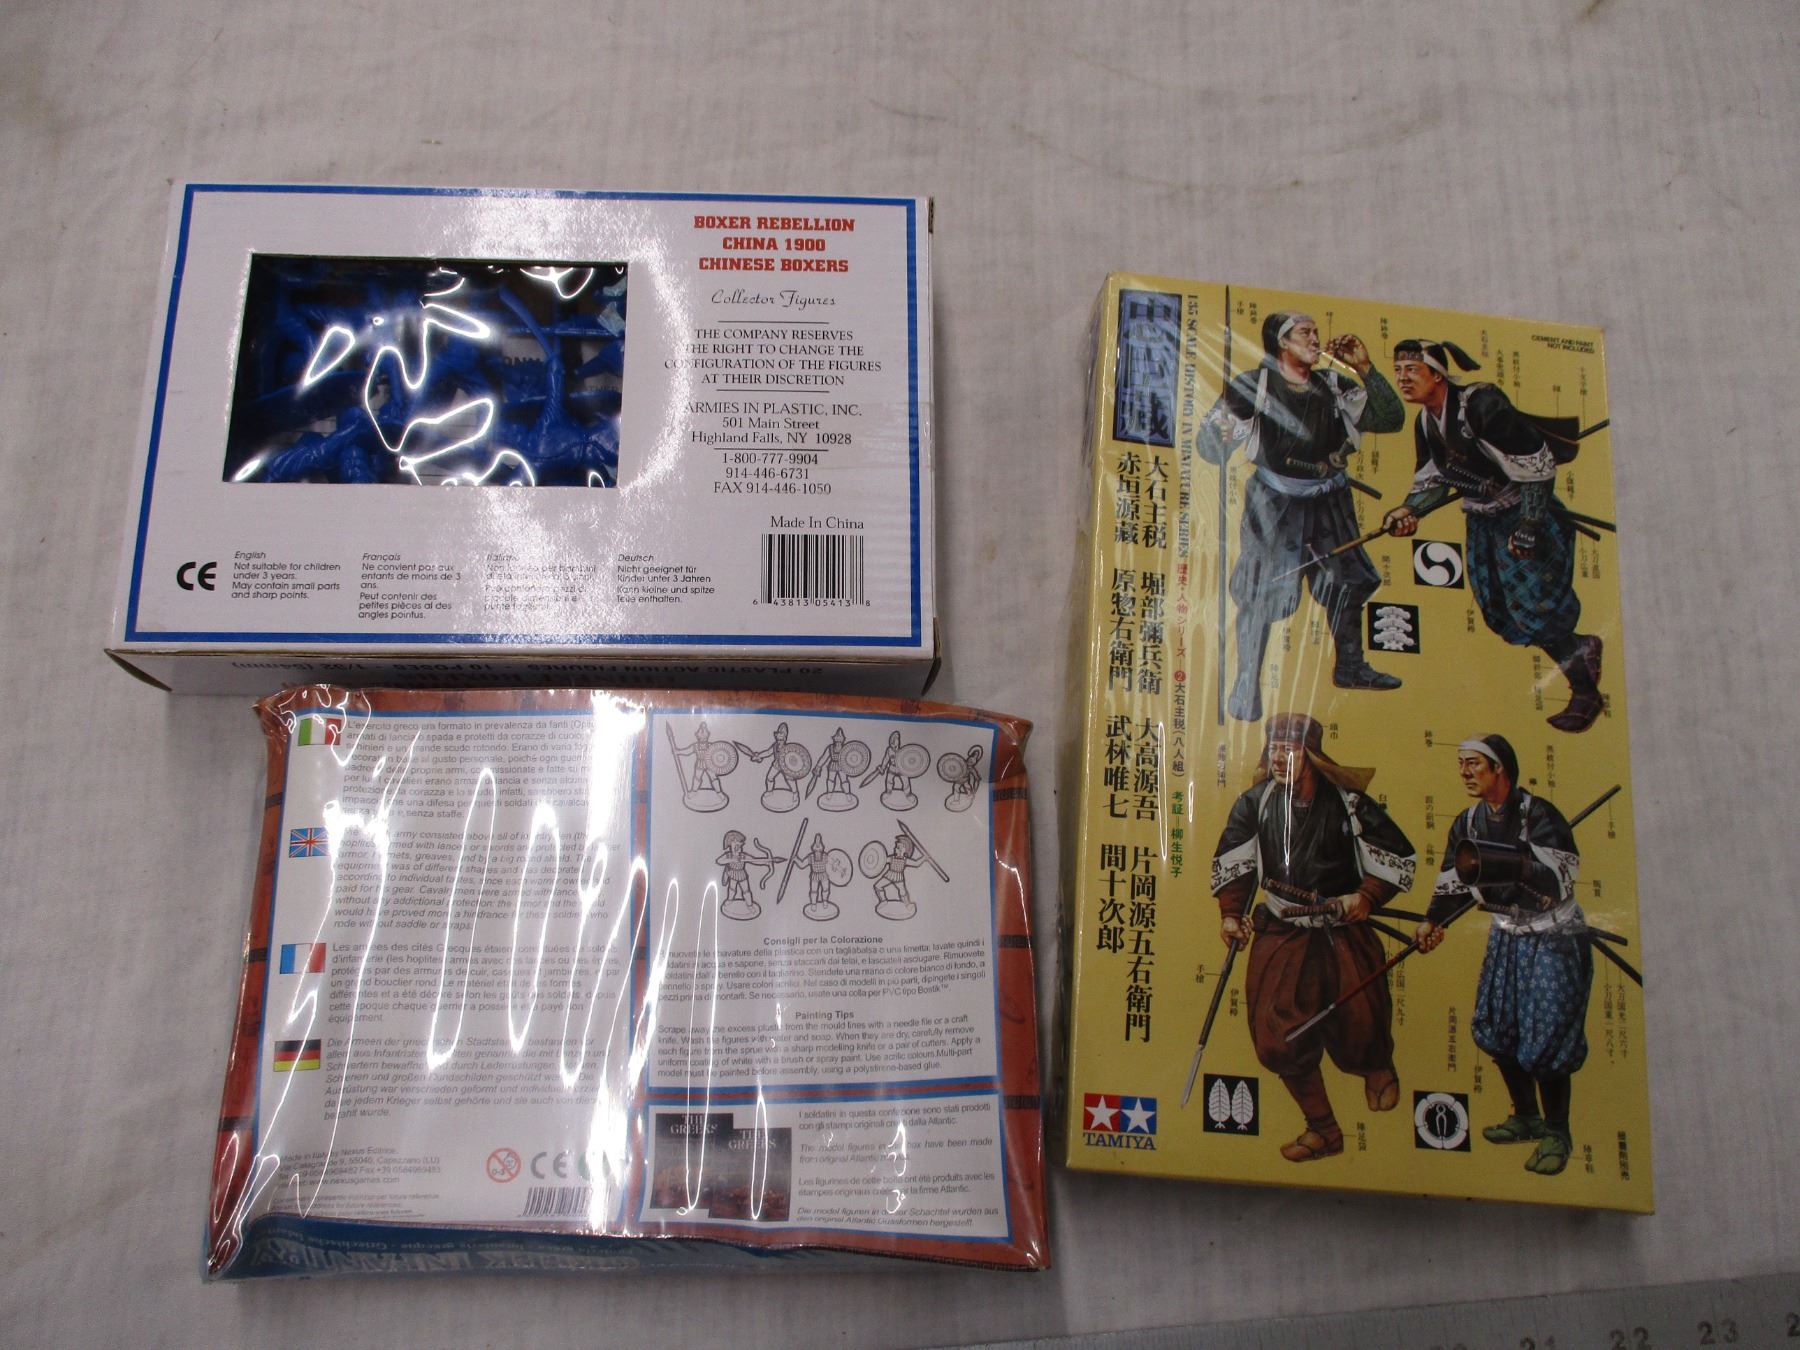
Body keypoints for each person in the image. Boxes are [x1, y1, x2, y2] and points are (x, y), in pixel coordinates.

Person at [1209, 714, 1416, 1161]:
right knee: (1277, 1037)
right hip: (1282, 928)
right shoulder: (1255, 804)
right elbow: (1235, 863)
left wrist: (1367, 895)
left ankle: (1376, 1067)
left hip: (1342, 927)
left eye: (1289, 750)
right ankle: (1323, 1128)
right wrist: (1230, 915)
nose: (1278, 758)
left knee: (1361, 1020)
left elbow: (1397, 858)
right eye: (1274, 748)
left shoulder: (1350, 805)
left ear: (1313, 755)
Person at [1382, 339, 1604, 732]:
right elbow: (1432, 480)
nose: (1402, 378)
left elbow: (1537, 464)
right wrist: (1408, 510)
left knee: (1534, 608)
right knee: (1498, 609)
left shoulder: (1481, 405)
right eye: (1398, 370)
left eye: (1412, 370)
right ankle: (1580, 647)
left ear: (1437, 374)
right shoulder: (1425, 422)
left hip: (1525, 513)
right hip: (1482, 520)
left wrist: (1530, 526)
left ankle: (1586, 692)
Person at [1197, 312, 1406, 721]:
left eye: (1315, 332)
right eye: (1304, 333)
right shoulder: (1254, 386)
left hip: (1330, 499)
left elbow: (1390, 419)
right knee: (1260, 591)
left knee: (1348, 579)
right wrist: (1217, 436)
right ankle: (1246, 684)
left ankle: (1350, 666)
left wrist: (1365, 368)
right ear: (1282, 342)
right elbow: (1209, 448)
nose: (1314, 339)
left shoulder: (1333, 384)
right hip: (1276, 502)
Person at [1414, 735, 1589, 1175]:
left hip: (1552, 934)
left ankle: (1557, 1132)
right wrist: (1433, 921)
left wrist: (1519, 863)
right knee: (1498, 1026)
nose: (1465, 772)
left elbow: (1562, 876)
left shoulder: (1538, 815)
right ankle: (1526, 1117)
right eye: (1461, 764)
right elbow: (1454, 882)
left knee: (1547, 1032)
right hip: (1506, 932)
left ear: (1500, 769)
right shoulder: (1468, 822)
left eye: (1474, 764)